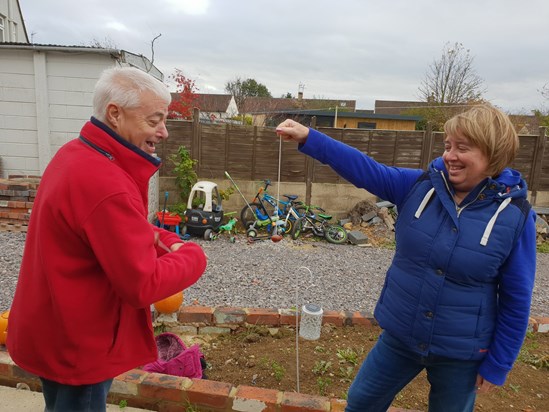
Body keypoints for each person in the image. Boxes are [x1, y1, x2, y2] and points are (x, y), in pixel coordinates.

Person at [276, 104, 536, 412]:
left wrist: (499, 363)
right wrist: (310, 137)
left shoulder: (516, 217)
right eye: (448, 145)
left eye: (462, 148)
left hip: (461, 351)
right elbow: (366, 168)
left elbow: (516, 299)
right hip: (402, 336)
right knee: (360, 404)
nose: (450, 155)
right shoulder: (420, 187)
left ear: (493, 154)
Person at [7, 67, 208, 411]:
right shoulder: (106, 182)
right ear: (115, 114)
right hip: (80, 343)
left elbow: (112, 230)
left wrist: (159, 239)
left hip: (53, 328)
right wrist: (192, 255)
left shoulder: (76, 153)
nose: (164, 131)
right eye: (155, 119)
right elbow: (141, 285)